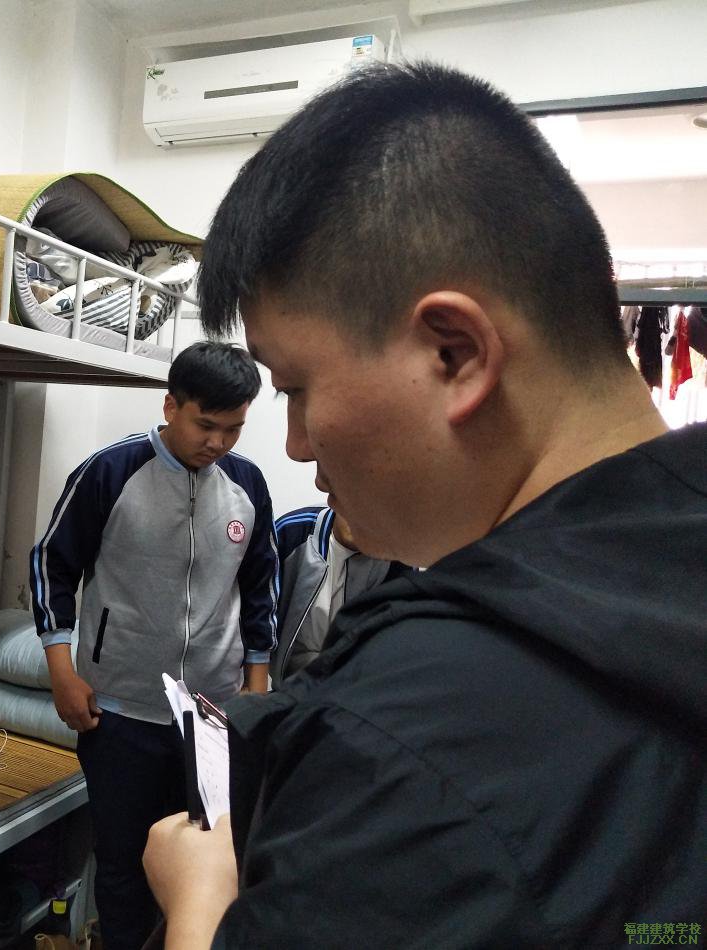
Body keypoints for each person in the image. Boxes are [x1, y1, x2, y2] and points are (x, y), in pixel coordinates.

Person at [142, 61, 707, 947]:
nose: (296, 445)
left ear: (455, 355)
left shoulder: (401, 740)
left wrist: (198, 901)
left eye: (294, 388)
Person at [30, 340, 278, 950]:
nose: (217, 442)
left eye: (233, 429)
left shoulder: (247, 484)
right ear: (170, 406)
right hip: (120, 712)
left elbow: (261, 583)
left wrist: (256, 685)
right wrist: (62, 671)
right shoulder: (109, 472)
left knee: (206, 862)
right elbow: (52, 566)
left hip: (213, 717)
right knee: (122, 861)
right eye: (205, 424)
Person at [272, 505, 410, 683]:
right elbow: (256, 610)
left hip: (353, 685)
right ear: (335, 497)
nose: (361, 518)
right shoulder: (293, 531)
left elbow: (396, 638)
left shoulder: (396, 557)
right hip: (286, 682)